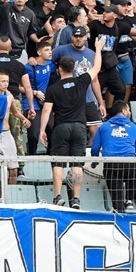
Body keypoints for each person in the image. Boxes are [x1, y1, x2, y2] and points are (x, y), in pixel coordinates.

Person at [39, 56, 90, 209]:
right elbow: (96, 68)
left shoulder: (53, 88)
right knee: (77, 165)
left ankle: (57, 196)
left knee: (58, 163)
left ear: (59, 69)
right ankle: (76, 199)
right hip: (79, 127)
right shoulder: (81, 81)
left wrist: (42, 130)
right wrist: (99, 49)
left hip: (61, 128)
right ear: (73, 69)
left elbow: (46, 110)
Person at [92, 101, 136, 213]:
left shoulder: (103, 127)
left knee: (117, 204)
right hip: (130, 163)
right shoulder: (133, 127)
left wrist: (95, 161)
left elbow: (95, 148)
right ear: (123, 111)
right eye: (128, 110)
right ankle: (129, 200)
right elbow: (135, 146)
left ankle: (119, 210)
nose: (130, 112)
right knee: (132, 175)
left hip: (112, 164)